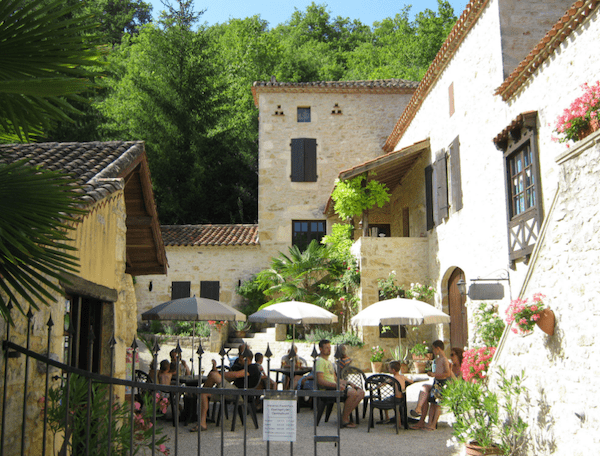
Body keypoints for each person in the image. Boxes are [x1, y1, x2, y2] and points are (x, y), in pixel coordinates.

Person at [191, 351, 256, 432]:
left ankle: (198, 392)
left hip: (240, 394)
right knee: (204, 394)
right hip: (232, 391)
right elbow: (229, 378)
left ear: (248, 359)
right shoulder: (241, 367)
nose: (239, 362)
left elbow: (236, 375)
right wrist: (217, 373)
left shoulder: (253, 368)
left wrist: (218, 373)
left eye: (241, 360)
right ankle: (202, 424)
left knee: (213, 375)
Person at [315, 339, 364, 428]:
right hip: (327, 390)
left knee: (361, 393)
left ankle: (343, 417)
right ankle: (344, 420)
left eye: (329, 347)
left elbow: (335, 379)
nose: (329, 350)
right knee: (352, 392)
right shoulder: (320, 361)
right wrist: (336, 385)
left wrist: (348, 382)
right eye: (326, 348)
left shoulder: (329, 362)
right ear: (320, 349)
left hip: (334, 387)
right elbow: (320, 381)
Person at [410, 340, 451, 431]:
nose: (433, 351)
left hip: (442, 383)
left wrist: (434, 375)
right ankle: (428, 422)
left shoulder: (444, 360)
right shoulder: (437, 360)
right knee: (432, 401)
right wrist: (432, 374)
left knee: (437, 404)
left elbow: (447, 374)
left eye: (434, 349)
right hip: (436, 382)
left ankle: (433, 423)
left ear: (438, 348)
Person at [380, 360, 409, 425]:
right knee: (397, 406)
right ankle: (399, 422)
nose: (388, 370)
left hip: (395, 398)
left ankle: (387, 418)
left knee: (385, 400)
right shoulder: (402, 376)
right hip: (402, 397)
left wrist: (376, 387)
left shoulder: (392, 378)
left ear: (393, 370)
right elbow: (411, 381)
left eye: (389, 369)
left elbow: (384, 383)